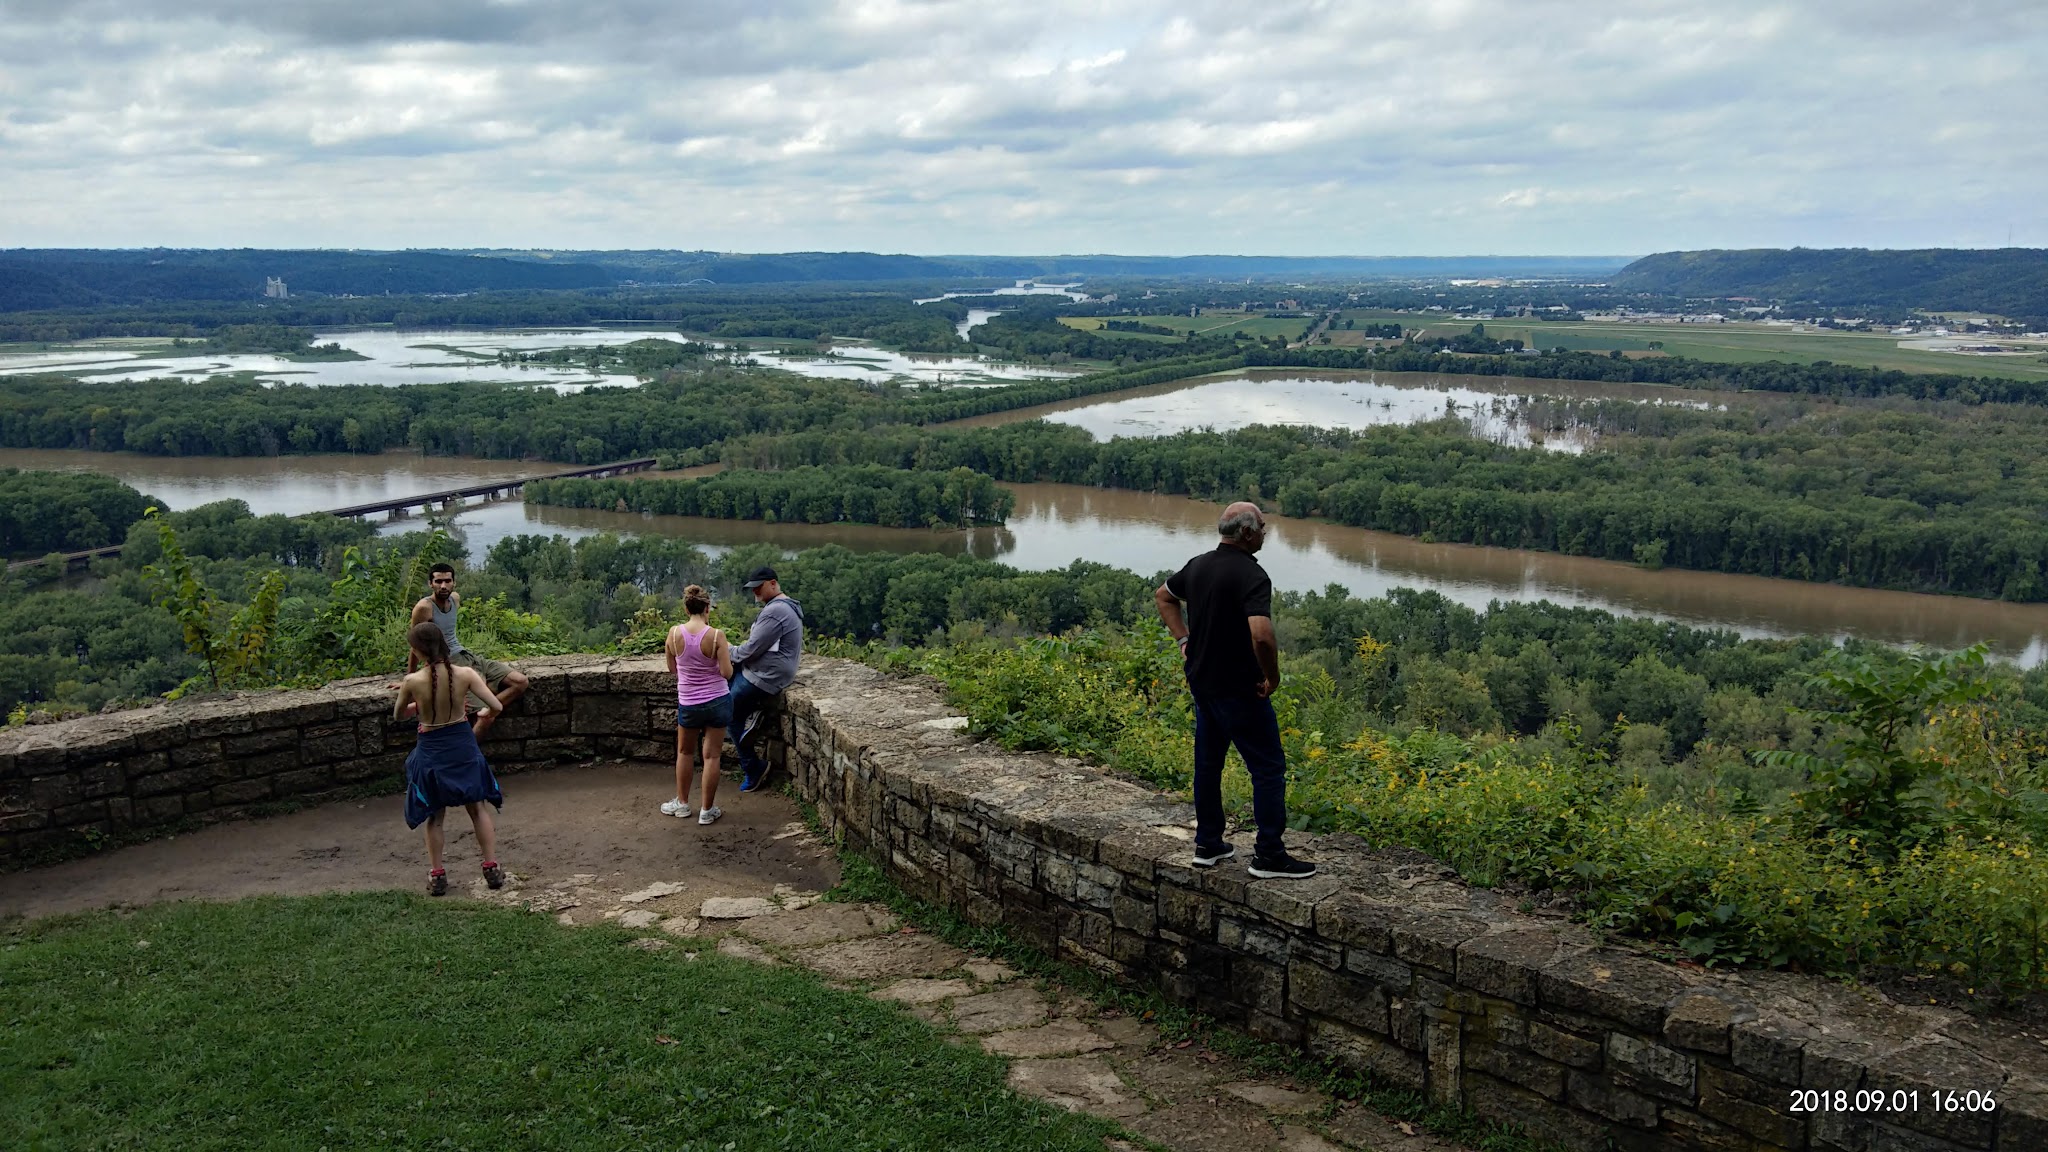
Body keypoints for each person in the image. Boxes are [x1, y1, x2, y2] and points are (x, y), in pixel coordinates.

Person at [1154, 501, 1317, 879]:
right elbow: (1261, 634)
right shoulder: (1251, 576)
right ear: (1246, 533)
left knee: (1208, 766)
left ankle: (1208, 843)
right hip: (1240, 689)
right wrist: (1271, 676)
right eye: (1262, 526)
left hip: (1204, 684)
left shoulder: (1198, 566)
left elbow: (1164, 596)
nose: (1265, 532)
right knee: (1268, 769)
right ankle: (1269, 855)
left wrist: (1184, 640)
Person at [395, 620, 507, 897]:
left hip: (432, 749)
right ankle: (491, 868)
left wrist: (419, 704)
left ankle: (437, 875)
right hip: (462, 746)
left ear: (418, 651)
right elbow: (496, 705)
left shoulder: (412, 681)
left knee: (435, 815)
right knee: (477, 808)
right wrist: (482, 715)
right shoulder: (466, 673)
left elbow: (399, 715)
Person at [409, 561, 528, 737]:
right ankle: (465, 757)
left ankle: (486, 708)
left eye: (448, 581)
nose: (443, 586)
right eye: (438, 581)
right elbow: (415, 643)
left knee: (520, 682)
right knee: (484, 719)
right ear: (430, 584)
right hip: (449, 663)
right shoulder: (424, 608)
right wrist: (410, 677)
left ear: (454, 582)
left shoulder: (455, 599)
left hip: (467, 655)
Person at [728, 565, 804, 793]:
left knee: (728, 710)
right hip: (774, 671)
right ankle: (751, 714)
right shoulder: (787, 607)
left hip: (766, 676)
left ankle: (754, 769)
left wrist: (727, 650)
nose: (755, 593)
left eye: (758, 587)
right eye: (752, 589)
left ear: (773, 583)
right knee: (727, 684)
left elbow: (751, 649)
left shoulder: (776, 611)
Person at [662, 584, 733, 826]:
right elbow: (726, 672)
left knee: (684, 752)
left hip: (689, 702)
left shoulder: (673, 634)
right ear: (707, 608)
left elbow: (673, 668)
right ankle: (707, 810)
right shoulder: (716, 636)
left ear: (686, 608)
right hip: (717, 701)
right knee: (712, 756)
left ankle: (682, 804)